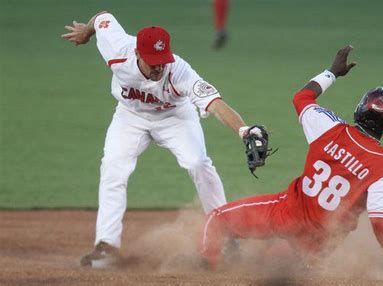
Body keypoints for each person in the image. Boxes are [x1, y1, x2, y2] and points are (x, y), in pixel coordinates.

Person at [61, 11, 263, 268]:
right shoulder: (119, 51)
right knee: (113, 167)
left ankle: (225, 236)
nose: (159, 66)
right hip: (130, 116)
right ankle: (106, 247)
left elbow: (215, 103)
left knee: (198, 163)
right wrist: (86, 32)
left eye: (162, 60)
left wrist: (244, 130)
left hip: (175, 118)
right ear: (137, 54)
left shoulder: (179, 71)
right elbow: (103, 17)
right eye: (153, 61)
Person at [199, 46, 383, 272]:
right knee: (282, 267)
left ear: (360, 110)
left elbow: (302, 97)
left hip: (286, 214)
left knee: (218, 219)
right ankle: (294, 262)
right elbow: (380, 222)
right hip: (319, 244)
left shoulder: (330, 128)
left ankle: (204, 267)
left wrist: (333, 72)